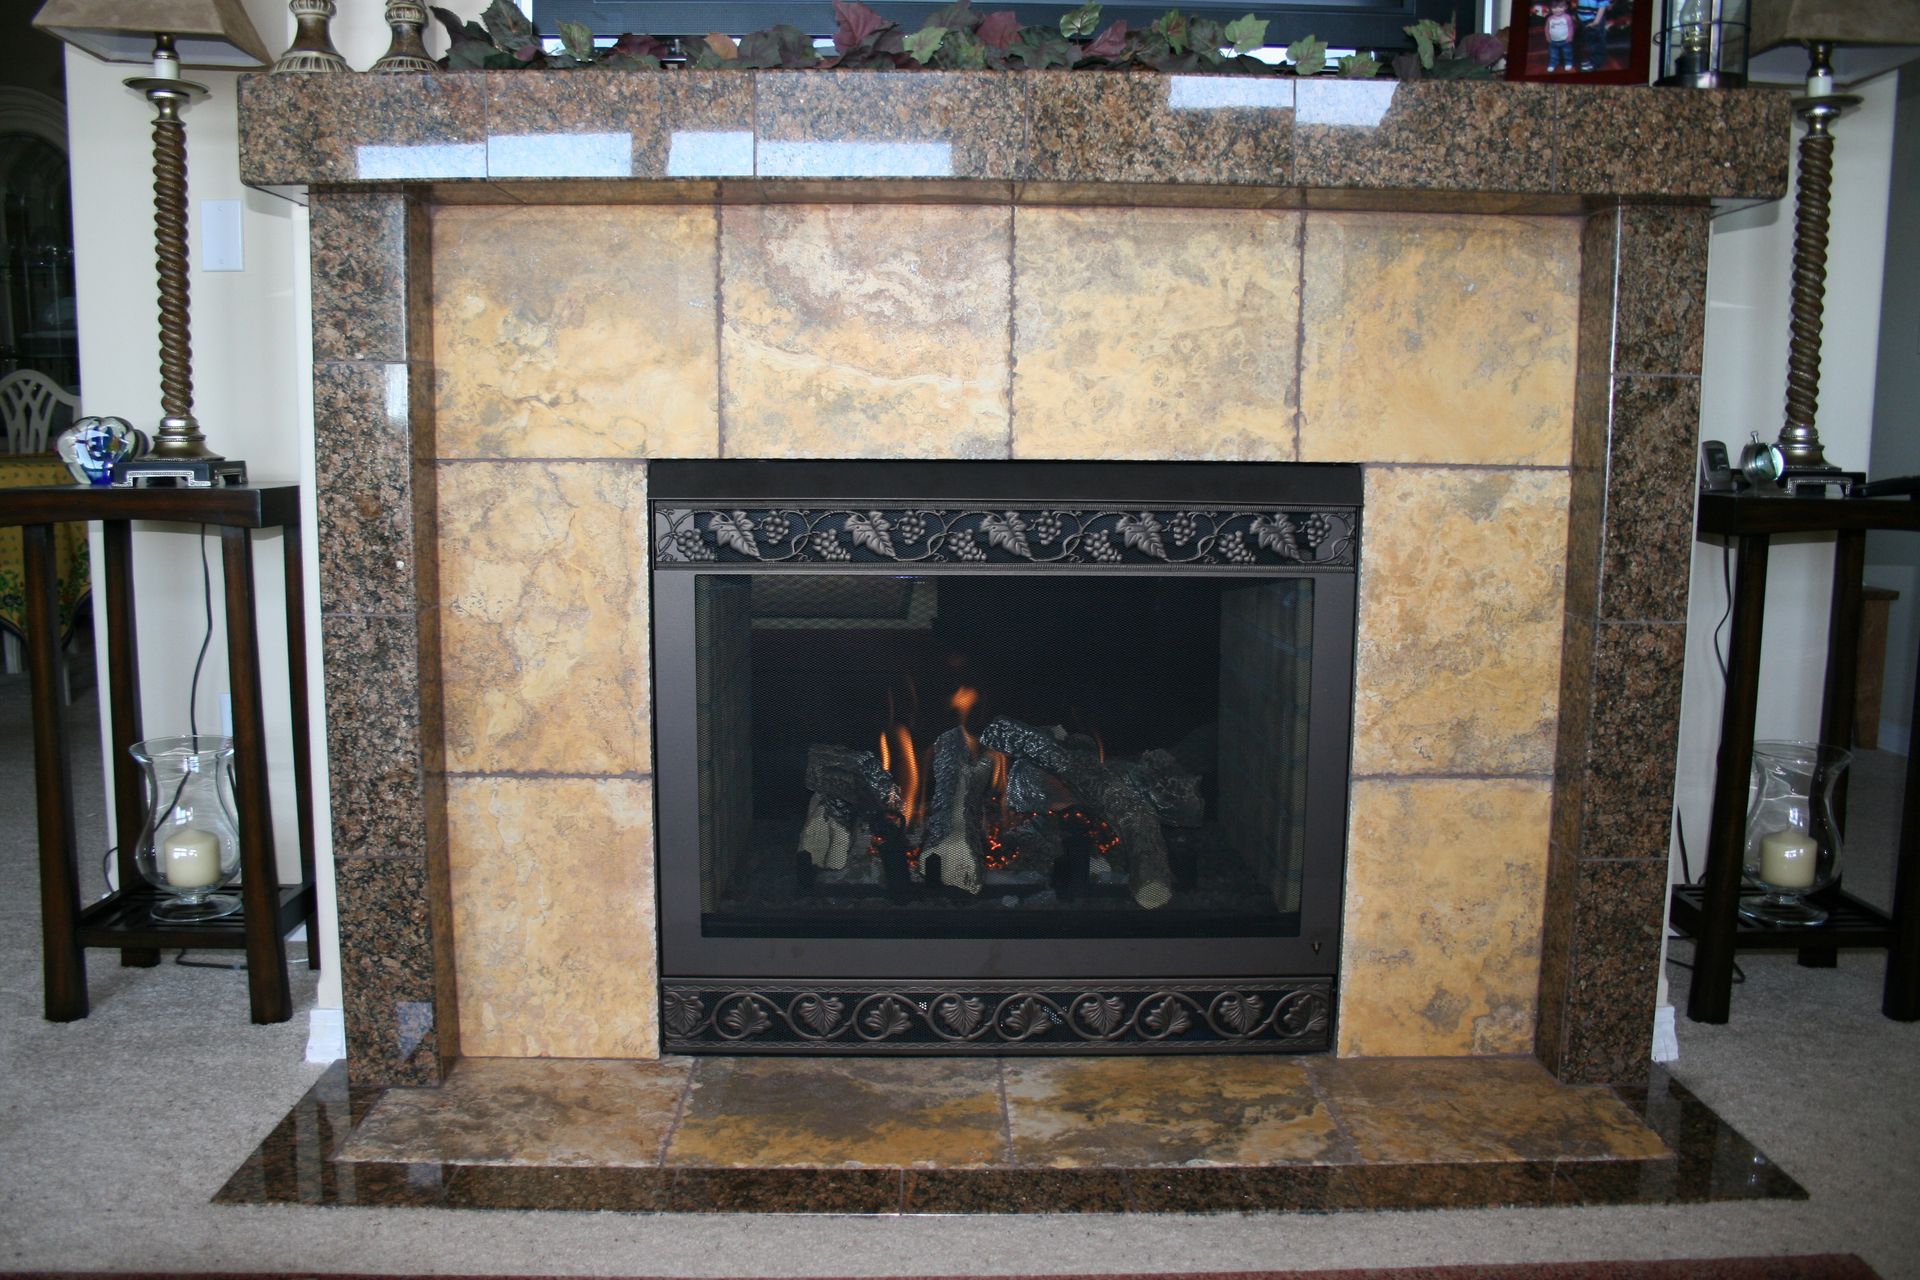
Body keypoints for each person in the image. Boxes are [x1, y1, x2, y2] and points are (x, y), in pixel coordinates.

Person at [1575, 0, 1612, 71]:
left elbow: (1602, 6)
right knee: (1590, 42)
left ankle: (1595, 62)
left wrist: (1596, 22)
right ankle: (1592, 60)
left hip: (1594, 21)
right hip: (1585, 20)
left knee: (1596, 43)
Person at [1543, 0, 1576, 71]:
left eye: (1560, 7)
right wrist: (1547, 37)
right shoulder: (1550, 18)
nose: (1557, 9)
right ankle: (1553, 63)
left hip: (1565, 40)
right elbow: (1546, 28)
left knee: (1567, 52)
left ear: (1565, 7)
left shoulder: (1567, 17)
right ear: (1551, 8)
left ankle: (1568, 62)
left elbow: (1571, 27)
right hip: (1553, 41)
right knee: (1553, 54)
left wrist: (1570, 37)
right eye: (1554, 7)